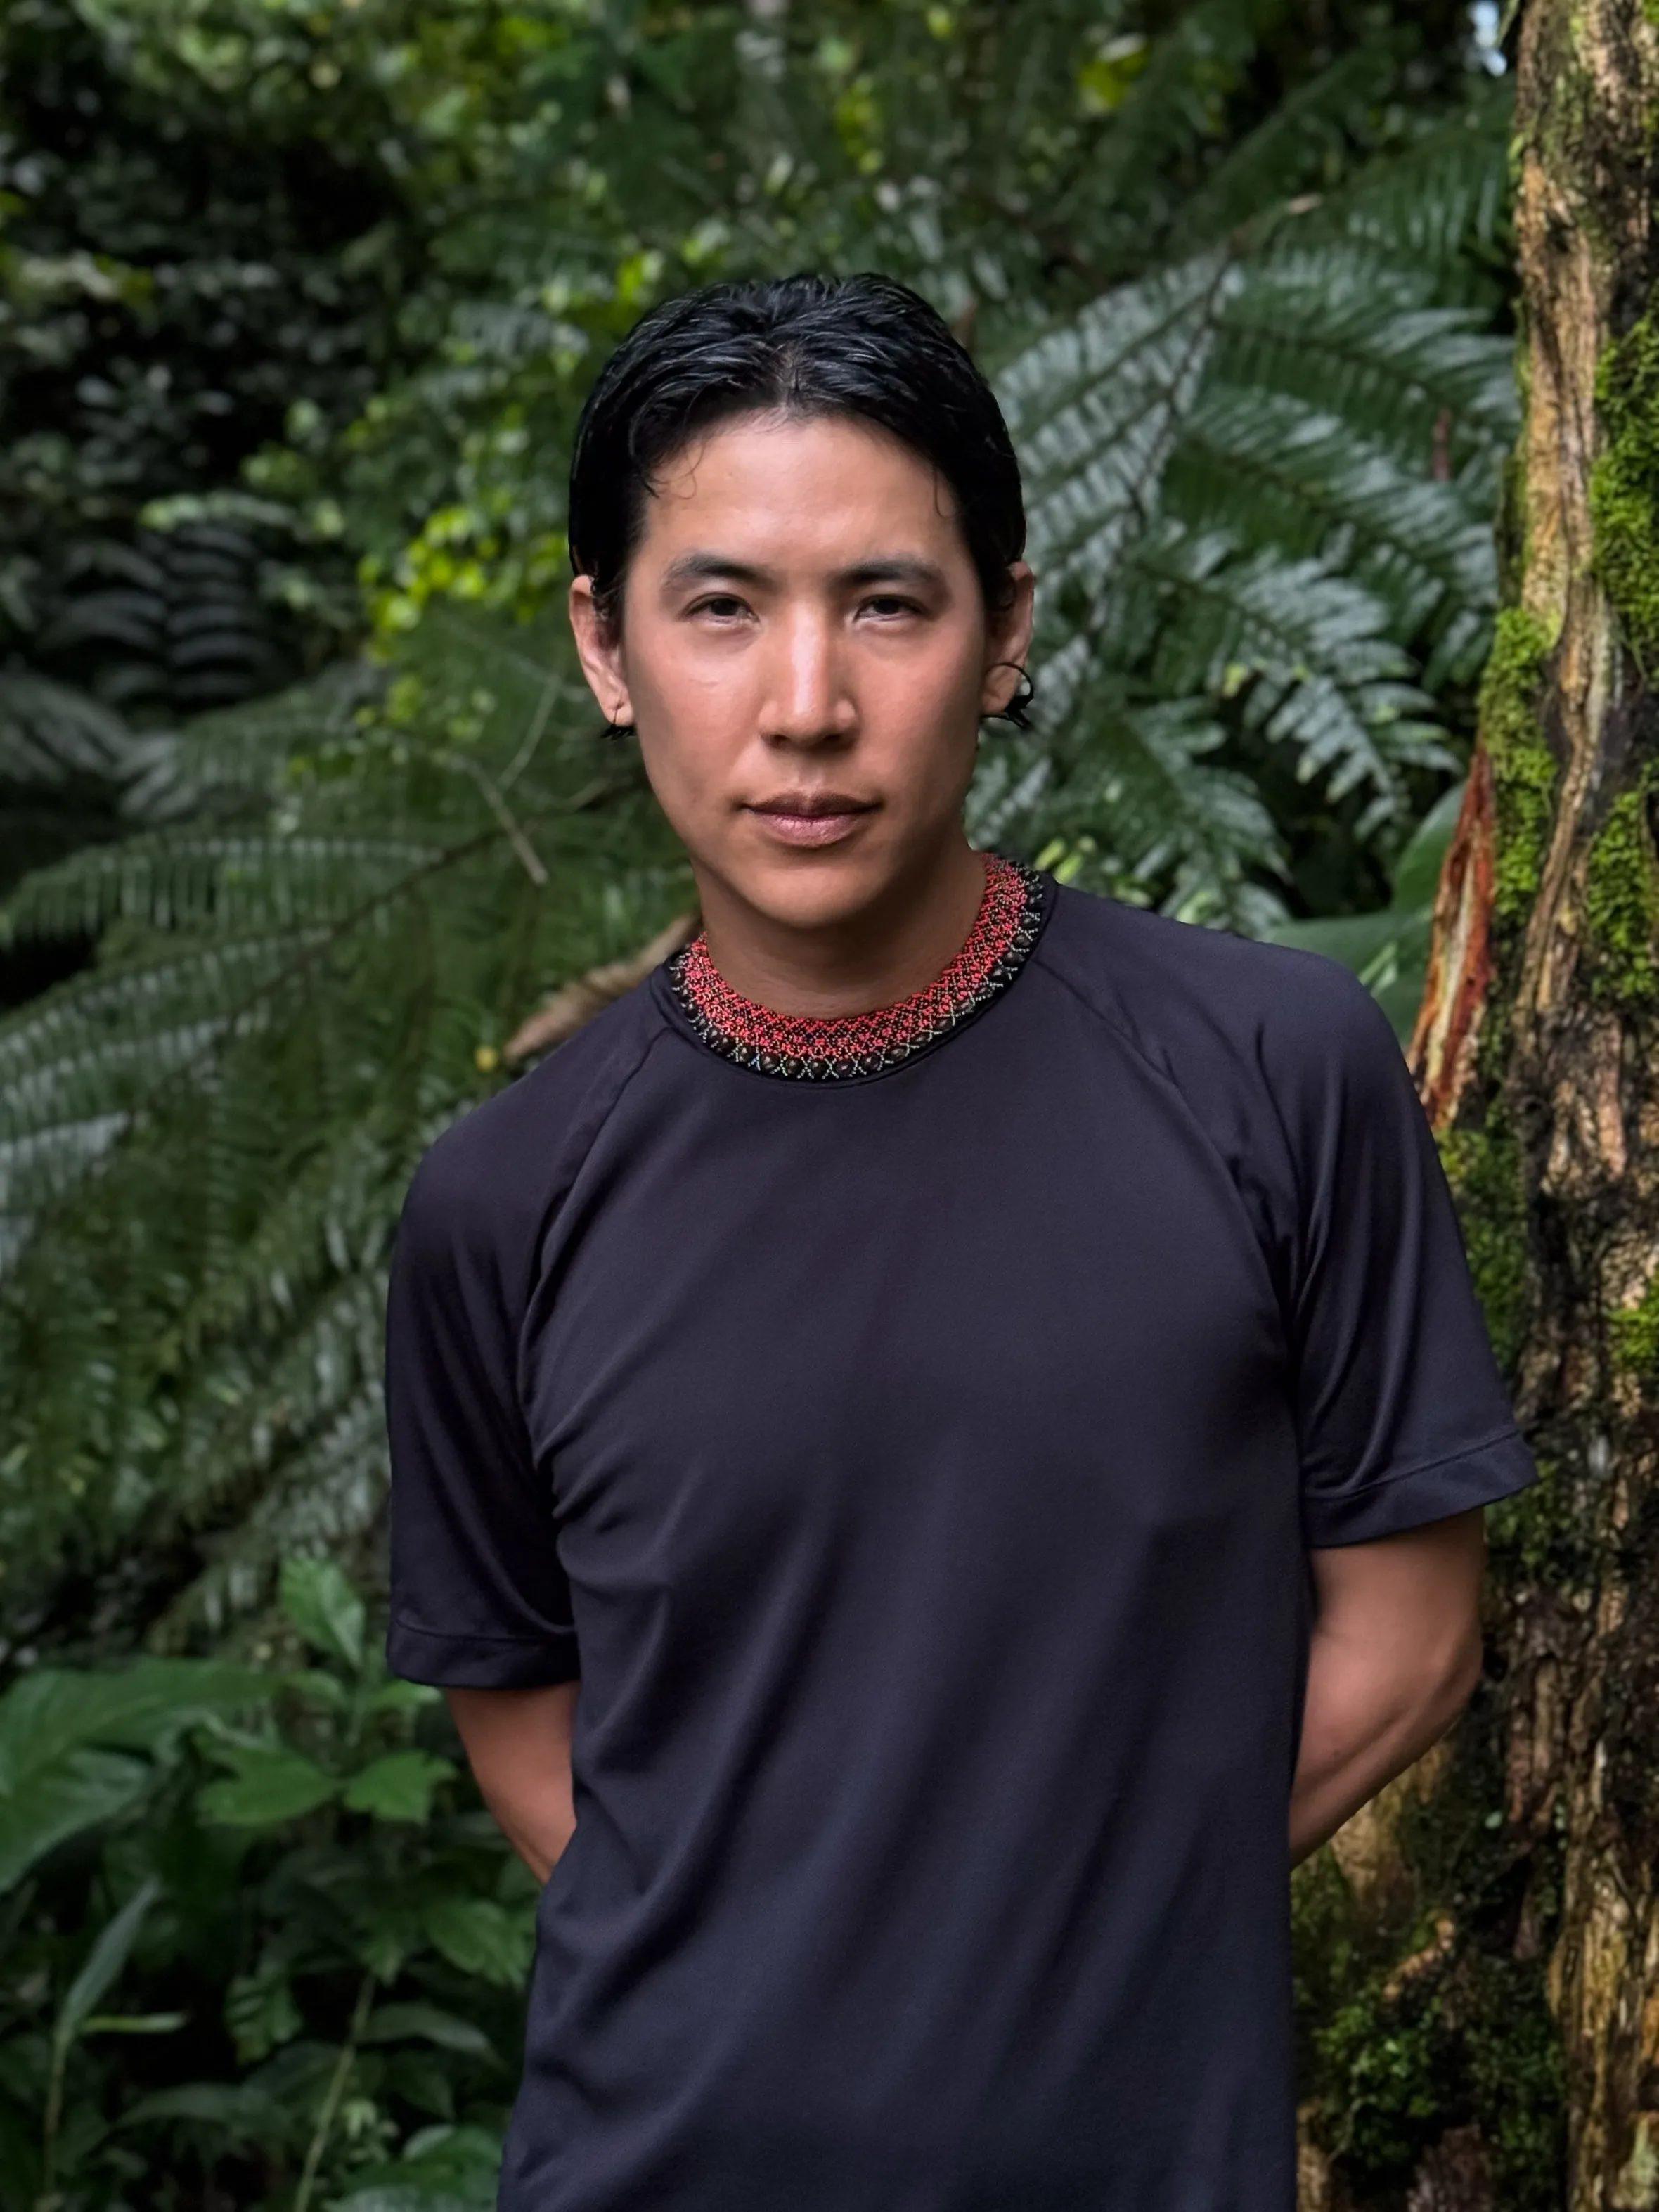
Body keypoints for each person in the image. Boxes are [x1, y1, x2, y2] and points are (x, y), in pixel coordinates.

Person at [384, 274, 1535, 2212]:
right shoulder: (503, 1206)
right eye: (723, 607)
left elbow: (1410, 1642)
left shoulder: (1270, 1074)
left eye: (888, 604)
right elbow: (526, 1728)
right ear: (607, 644)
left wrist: (1077, 1937)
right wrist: (805, 1972)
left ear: (1004, 630)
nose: (807, 705)